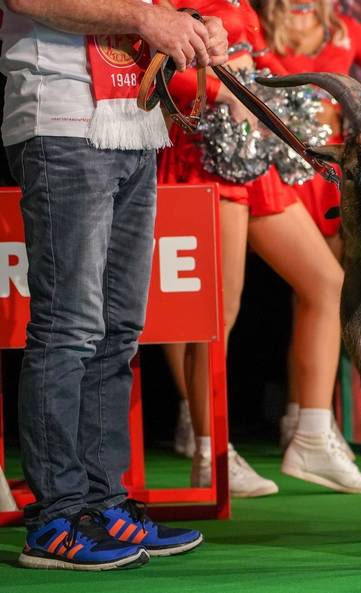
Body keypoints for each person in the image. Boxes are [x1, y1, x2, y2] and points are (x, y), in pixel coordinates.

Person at [0, 0, 227, 571]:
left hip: (134, 121)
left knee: (119, 330)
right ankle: (56, 516)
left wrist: (193, 25)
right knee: (69, 327)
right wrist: (147, 21)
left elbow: (161, 9)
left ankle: (103, 504)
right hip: (63, 121)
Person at [161, 0, 361, 495]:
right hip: (203, 155)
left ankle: (311, 436)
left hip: (254, 153)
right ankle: (208, 450)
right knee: (217, 314)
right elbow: (147, 69)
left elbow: (262, 62)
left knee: (326, 284)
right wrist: (222, 91)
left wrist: (306, 90)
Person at [256, 0, 361, 454]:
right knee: (311, 291)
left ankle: (305, 418)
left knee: (320, 298)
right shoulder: (260, 27)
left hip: (327, 177)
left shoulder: (344, 30)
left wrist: (359, 124)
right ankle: (294, 422)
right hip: (277, 169)